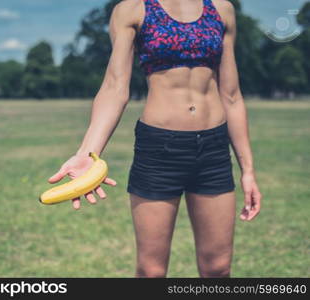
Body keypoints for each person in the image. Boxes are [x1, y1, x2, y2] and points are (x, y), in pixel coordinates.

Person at [48, 0, 262, 278]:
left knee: (218, 269)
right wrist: (88, 153)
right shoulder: (133, 9)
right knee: (151, 272)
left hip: (213, 149)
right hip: (159, 149)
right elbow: (114, 87)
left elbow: (231, 95)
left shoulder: (222, 9)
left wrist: (248, 171)